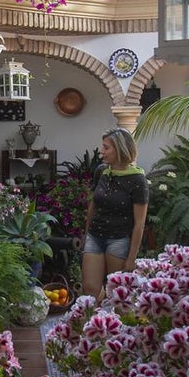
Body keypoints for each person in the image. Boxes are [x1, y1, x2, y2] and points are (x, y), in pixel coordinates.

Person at [81, 127, 149, 299]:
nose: (102, 152)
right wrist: (86, 233)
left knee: (115, 293)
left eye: (106, 147)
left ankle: (109, 324)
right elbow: (94, 204)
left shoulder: (137, 180)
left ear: (120, 149)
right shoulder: (102, 172)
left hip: (119, 240)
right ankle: (91, 324)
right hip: (95, 237)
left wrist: (131, 258)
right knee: (89, 290)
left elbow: (139, 223)